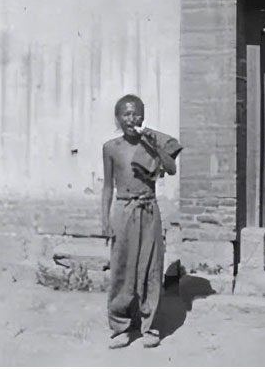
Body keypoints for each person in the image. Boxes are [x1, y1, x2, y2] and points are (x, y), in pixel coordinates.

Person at [102, 94, 182, 349]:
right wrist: (104, 219)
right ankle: (121, 326)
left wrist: (155, 146)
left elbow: (171, 168)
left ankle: (151, 325)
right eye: (126, 114)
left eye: (136, 114)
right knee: (121, 268)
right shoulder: (111, 148)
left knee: (151, 267)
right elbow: (106, 186)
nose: (131, 119)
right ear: (118, 118)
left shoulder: (153, 143)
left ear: (142, 116)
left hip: (149, 209)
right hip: (123, 209)